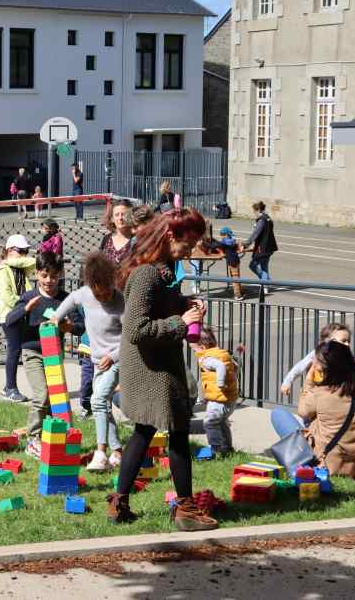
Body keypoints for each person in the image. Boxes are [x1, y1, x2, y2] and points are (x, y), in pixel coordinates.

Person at [108, 208, 217, 532]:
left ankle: (119, 503)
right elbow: (135, 329)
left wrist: (185, 304)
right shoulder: (147, 274)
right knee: (178, 431)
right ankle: (185, 509)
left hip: (156, 361)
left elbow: (159, 304)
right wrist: (178, 323)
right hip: (151, 365)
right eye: (190, 241)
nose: (193, 248)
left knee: (144, 430)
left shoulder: (163, 269)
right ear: (171, 236)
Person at [50, 251, 125, 471]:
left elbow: (131, 336)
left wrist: (113, 357)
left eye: (107, 291)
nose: (103, 297)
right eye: (98, 293)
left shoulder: (120, 301)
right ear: (91, 285)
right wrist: (57, 315)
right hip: (96, 360)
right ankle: (117, 451)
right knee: (103, 405)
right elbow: (72, 299)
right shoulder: (85, 294)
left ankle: (101, 453)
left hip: (117, 359)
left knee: (98, 400)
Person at [5, 251, 78, 459]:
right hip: (33, 352)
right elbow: (9, 321)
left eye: (54, 276)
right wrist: (26, 309)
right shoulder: (29, 297)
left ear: (60, 275)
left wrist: (69, 326)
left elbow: (79, 326)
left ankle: (58, 435)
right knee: (41, 395)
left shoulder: (65, 299)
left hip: (55, 353)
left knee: (57, 398)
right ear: (37, 274)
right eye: (45, 276)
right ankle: (33, 439)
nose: (49, 281)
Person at [271, 341, 355, 479]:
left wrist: (309, 380)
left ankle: (302, 463)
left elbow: (303, 412)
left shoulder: (321, 392)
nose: (314, 366)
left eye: (316, 364)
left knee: (278, 414)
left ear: (326, 369)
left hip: (327, 462)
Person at [279, 322, 355, 398]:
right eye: (343, 341)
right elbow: (300, 367)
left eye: (348, 341)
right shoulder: (316, 354)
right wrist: (287, 382)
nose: (347, 344)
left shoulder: (350, 360)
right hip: (316, 397)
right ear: (326, 342)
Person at [193, 327, 241, 457]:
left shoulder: (208, 359)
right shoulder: (222, 354)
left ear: (202, 347)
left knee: (210, 422)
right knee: (222, 423)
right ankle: (227, 448)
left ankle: (216, 449)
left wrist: (220, 383)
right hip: (230, 398)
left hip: (218, 400)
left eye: (195, 347)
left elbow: (220, 367)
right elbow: (235, 367)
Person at [0, 235, 34, 403]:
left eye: (26, 251)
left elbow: (35, 262)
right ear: (10, 250)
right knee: (14, 350)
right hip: (10, 315)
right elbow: (6, 296)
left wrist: (13, 261)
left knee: (21, 348)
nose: (25, 255)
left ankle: (8, 387)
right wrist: (22, 306)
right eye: (21, 251)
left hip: (22, 312)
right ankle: (10, 388)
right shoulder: (3, 270)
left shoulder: (18, 267)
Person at [244, 201, 278, 293]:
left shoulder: (262, 220)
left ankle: (265, 283)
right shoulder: (268, 218)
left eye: (254, 211)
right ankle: (265, 285)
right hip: (270, 246)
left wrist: (246, 244)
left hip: (263, 248)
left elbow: (255, 234)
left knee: (253, 265)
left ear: (258, 210)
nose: (254, 213)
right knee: (264, 267)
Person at [99, 199, 135, 266]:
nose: (120, 218)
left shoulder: (136, 240)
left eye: (124, 214)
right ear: (112, 218)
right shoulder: (106, 239)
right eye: (117, 215)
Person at [217, 227, 244, 300]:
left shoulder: (224, 242)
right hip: (236, 260)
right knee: (236, 276)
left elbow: (217, 245)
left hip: (232, 261)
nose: (221, 236)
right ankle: (240, 290)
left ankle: (238, 294)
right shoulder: (232, 241)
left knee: (235, 277)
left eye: (222, 234)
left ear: (226, 235)